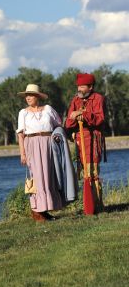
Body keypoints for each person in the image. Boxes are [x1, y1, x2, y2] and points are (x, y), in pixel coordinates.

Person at [16, 84, 64, 221]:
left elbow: (58, 124)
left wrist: (56, 138)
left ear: (37, 96)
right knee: (36, 177)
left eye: (31, 95)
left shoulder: (48, 109)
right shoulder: (23, 113)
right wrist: (23, 154)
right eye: (26, 95)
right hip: (31, 144)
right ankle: (37, 211)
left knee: (48, 175)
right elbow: (21, 135)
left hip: (48, 144)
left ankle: (46, 209)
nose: (28, 98)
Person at [65, 73, 105, 215]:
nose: (79, 89)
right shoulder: (75, 100)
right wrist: (75, 115)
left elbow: (99, 119)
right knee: (83, 174)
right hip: (80, 142)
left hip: (92, 140)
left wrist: (83, 114)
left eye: (82, 86)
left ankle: (98, 206)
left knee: (93, 173)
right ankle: (88, 206)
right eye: (78, 86)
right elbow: (69, 122)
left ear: (90, 87)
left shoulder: (98, 98)